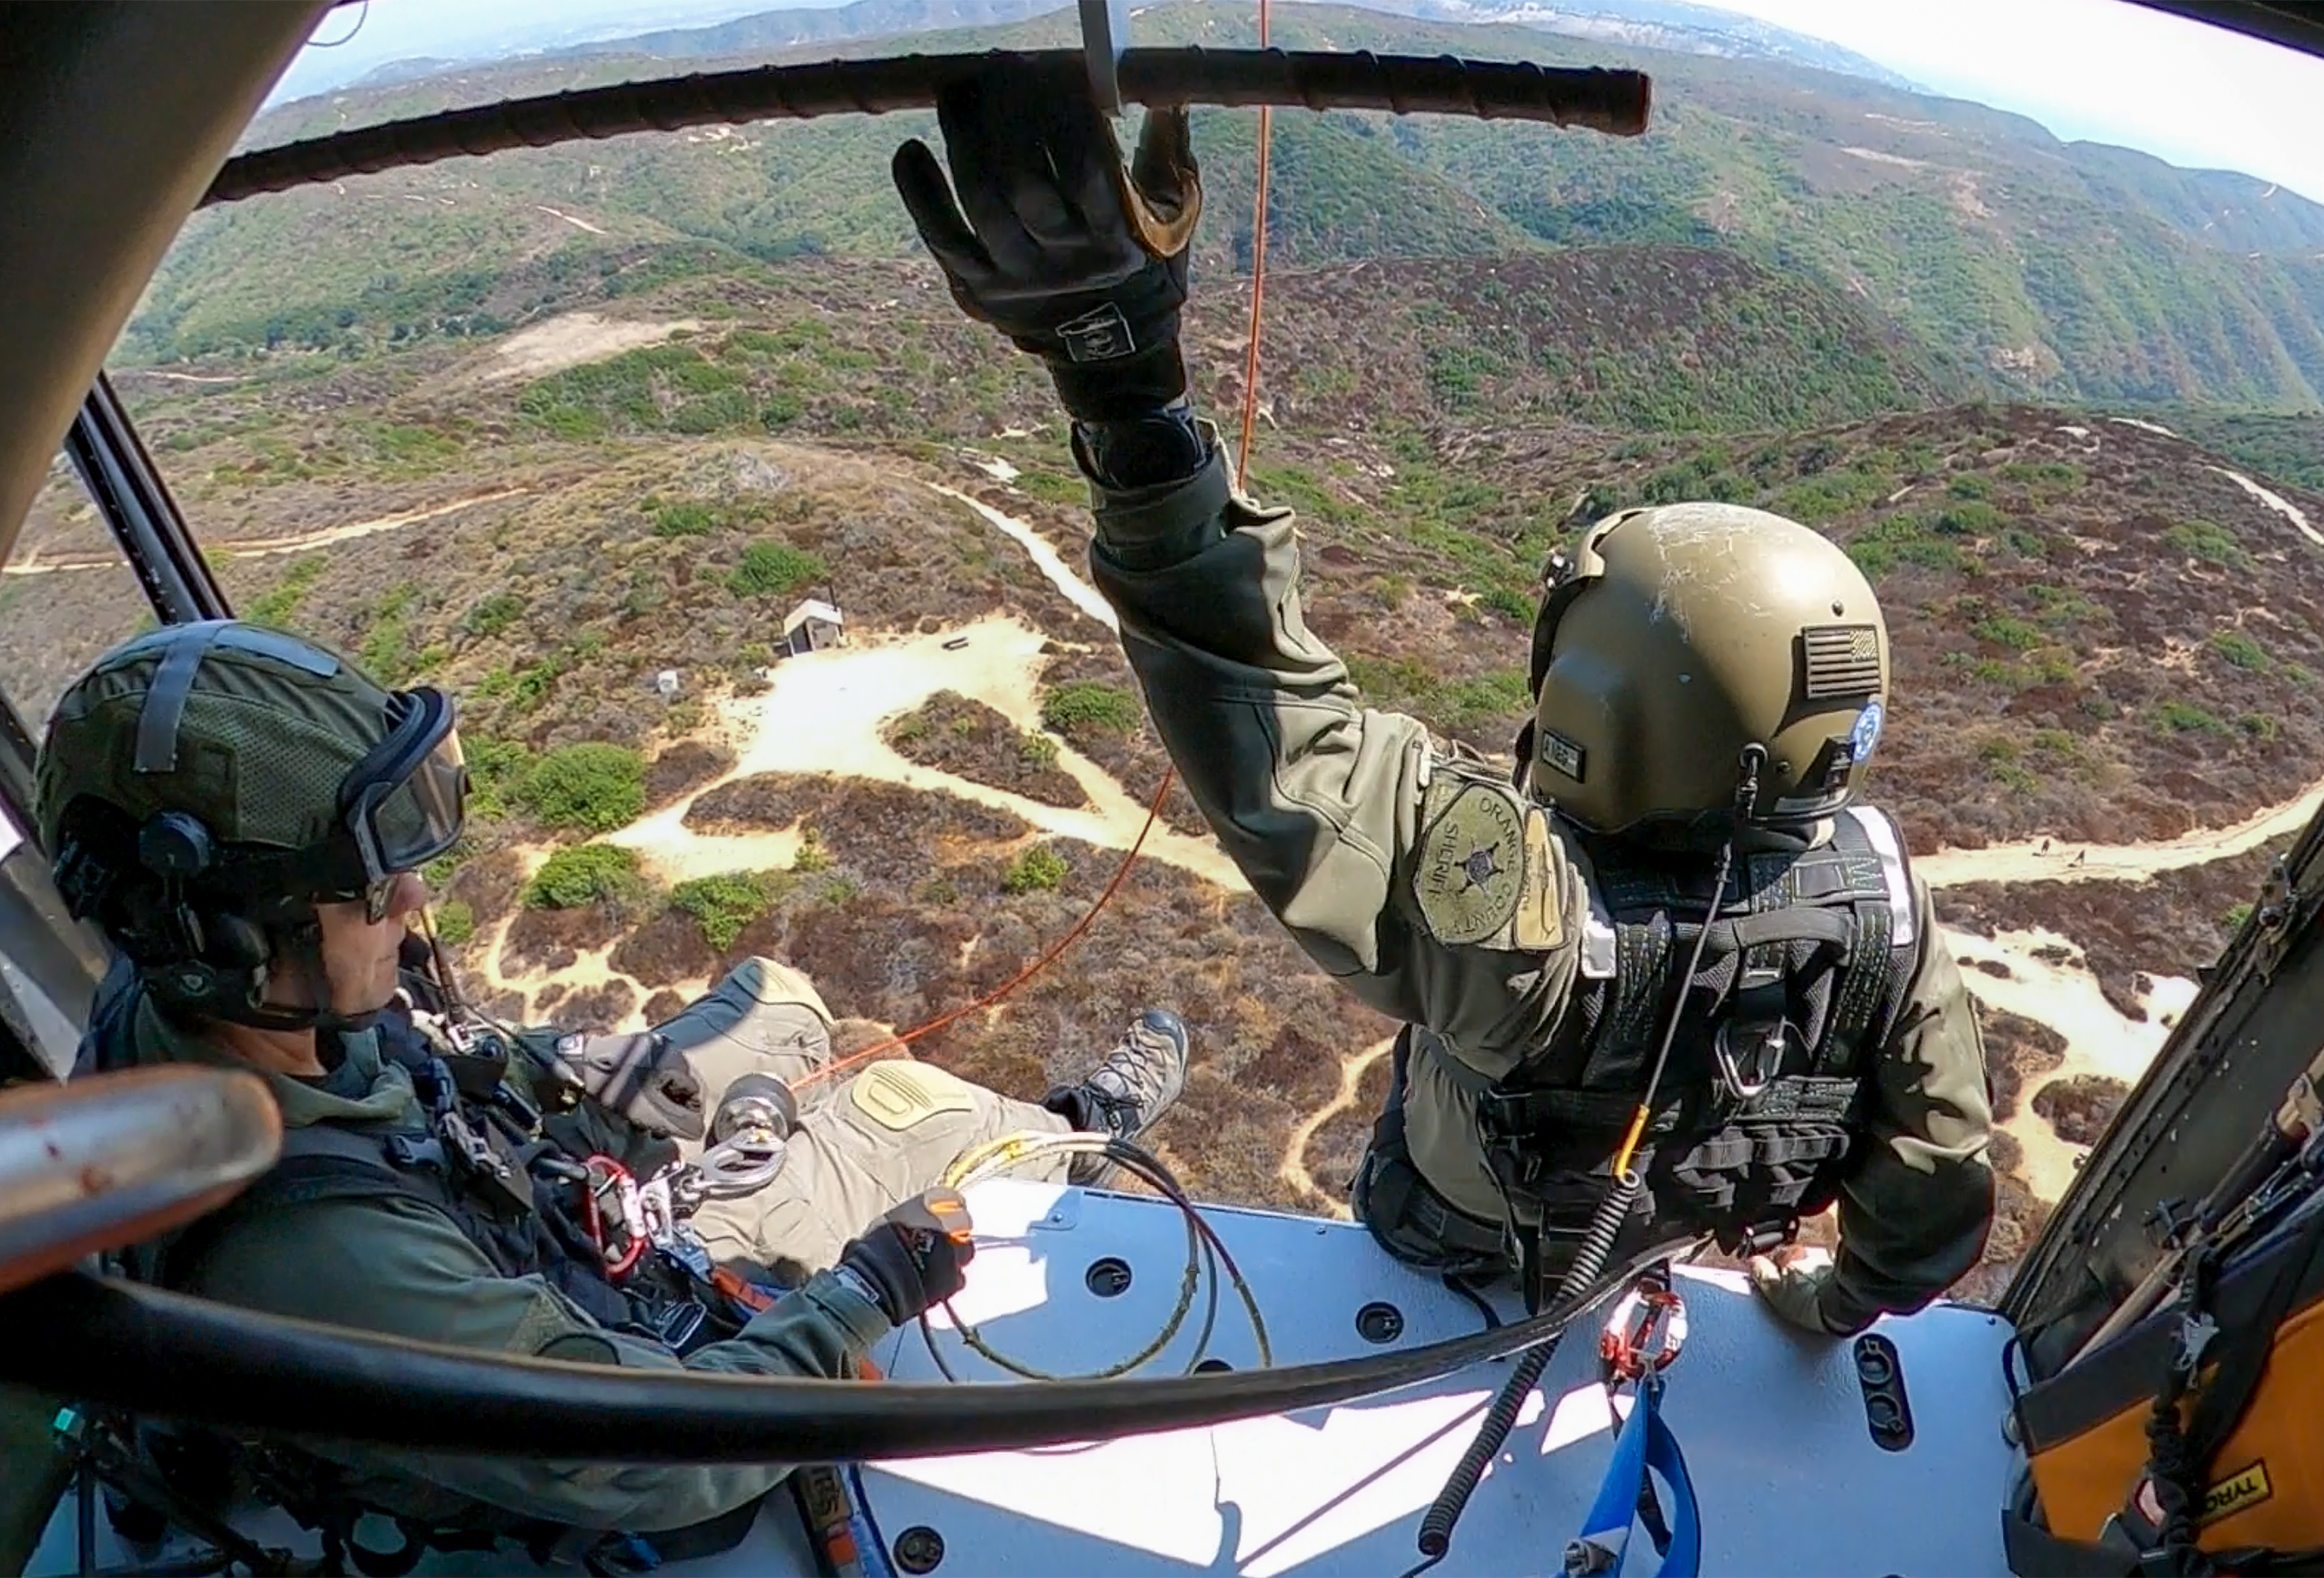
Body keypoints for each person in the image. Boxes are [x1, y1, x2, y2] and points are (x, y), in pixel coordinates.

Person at [893, 68, 1994, 1339]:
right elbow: (1933, 1195)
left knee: (1417, 1195)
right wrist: (1826, 1306)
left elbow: (1269, 715)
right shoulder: (1885, 902)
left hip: (1448, 1238)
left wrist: (1121, 385)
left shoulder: (1518, 909)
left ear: (1600, 704)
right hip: (1663, 1251)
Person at [32, 618, 1193, 1557]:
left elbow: (409, 1066)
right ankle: (1071, 1137)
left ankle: (987, 1131)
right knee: (908, 1111)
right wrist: (859, 1298)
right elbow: (660, 1455)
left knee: (780, 1003)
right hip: (604, 1323)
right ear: (236, 931)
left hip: (524, 1210)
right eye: (369, 893)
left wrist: (560, 1066)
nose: (412, 911)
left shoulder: (216, 1007)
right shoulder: (319, 1253)